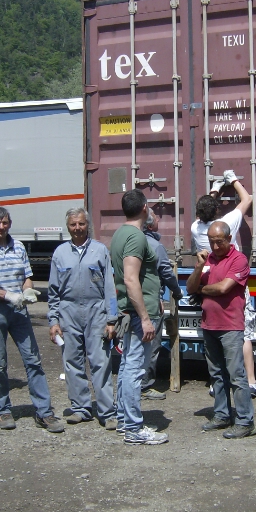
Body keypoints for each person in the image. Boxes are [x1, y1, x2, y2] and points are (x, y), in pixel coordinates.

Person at [0, 206, 63, 433]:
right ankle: (3, 410)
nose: (1, 227)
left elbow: (26, 277)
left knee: (33, 360)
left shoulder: (18, 247)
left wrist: (27, 290)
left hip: (19, 312)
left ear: (9, 224)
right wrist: (6, 295)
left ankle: (44, 412)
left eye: (5, 222)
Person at [191, 170, 256, 398]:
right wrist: (233, 180)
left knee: (214, 335)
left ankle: (217, 382)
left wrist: (215, 188)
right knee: (243, 333)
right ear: (217, 211)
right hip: (230, 281)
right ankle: (250, 381)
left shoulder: (195, 227)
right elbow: (247, 199)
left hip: (208, 283)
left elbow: (205, 210)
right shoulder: (226, 223)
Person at [47, 207, 118, 429]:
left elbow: (110, 288)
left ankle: (107, 412)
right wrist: (53, 321)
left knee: (101, 362)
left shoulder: (100, 251)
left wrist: (111, 319)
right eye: (73, 224)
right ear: (67, 227)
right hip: (68, 312)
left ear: (88, 225)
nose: (77, 228)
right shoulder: (60, 253)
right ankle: (80, 409)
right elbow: (53, 291)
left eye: (81, 223)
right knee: (72, 363)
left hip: (96, 311)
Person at [109, 190, 168, 445]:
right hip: (137, 314)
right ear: (144, 207)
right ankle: (133, 428)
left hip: (131, 310)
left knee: (126, 367)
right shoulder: (135, 236)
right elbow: (131, 279)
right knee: (134, 370)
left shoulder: (121, 233)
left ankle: (124, 420)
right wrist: (145, 317)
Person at [186, 221, 255, 439]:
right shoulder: (207, 260)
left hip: (230, 326)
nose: (215, 247)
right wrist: (199, 267)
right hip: (209, 325)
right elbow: (189, 287)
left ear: (229, 238)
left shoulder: (239, 260)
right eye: (212, 242)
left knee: (236, 375)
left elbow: (224, 287)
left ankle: (245, 421)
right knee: (216, 374)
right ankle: (222, 414)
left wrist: (201, 289)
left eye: (219, 242)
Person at [141, 208, 183, 401]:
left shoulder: (131, 242)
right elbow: (166, 272)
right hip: (151, 303)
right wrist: (177, 290)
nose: (159, 219)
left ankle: (134, 384)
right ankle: (144, 385)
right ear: (150, 225)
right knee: (151, 345)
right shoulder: (155, 246)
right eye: (156, 217)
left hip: (134, 301)